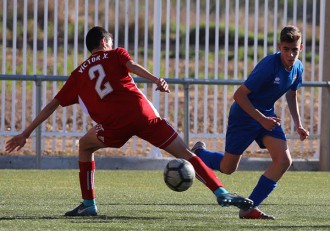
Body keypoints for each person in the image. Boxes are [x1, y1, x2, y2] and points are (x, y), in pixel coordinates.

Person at [6, 26, 253, 216]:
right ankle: (220, 191)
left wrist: (26, 132)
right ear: (105, 42)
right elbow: (132, 66)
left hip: (114, 126)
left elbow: (53, 104)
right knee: (186, 153)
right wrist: (156, 79)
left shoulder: (78, 74)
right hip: (143, 115)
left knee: (85, 145)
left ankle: (89, 204)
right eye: (111, 41)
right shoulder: (115, 54)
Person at [191, 25, 309, 219]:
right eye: (286, 49)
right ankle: (199, 154)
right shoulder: (268, 66)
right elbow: (239, 96)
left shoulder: (298, 67)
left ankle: (248, 208)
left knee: (283, 161)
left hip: (267, 116)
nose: (290, 54)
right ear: (280, 46)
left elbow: (292, 93)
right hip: (244, 116)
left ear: (301, 48)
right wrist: (261, 119)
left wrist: (298, 124)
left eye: (294, 49)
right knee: (228, 168)